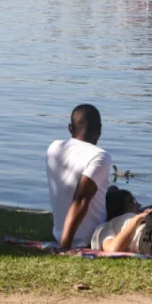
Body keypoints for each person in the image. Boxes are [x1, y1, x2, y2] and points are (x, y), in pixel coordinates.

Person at [46, 104, 112, 250]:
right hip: (90, 238)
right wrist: (65, 246)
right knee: (123, 200)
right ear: (100, 130)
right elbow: (80, 200)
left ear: (70, 128)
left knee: (112, 191)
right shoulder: (100, 156)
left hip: (58, 233)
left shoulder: (54, 148)